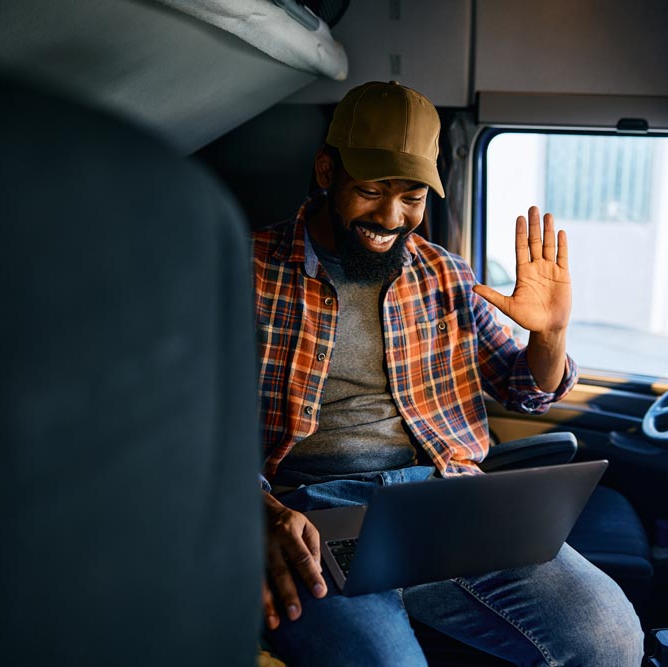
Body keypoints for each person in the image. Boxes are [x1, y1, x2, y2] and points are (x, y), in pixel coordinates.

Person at [253, 80, 643, 666]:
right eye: (372, 190)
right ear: (327, 171)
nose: (391, 216)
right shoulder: (247, 267)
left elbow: (525, 389)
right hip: (313, 513)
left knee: (611, 639)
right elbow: (185, 428)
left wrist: (551, 334)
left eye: (411, 197)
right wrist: (262, 514)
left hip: (448, 504)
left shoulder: (444, 274)